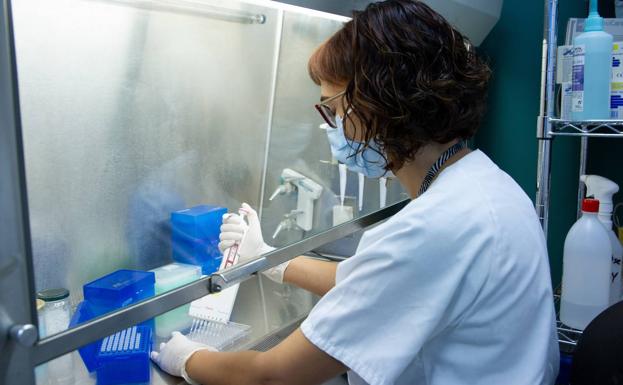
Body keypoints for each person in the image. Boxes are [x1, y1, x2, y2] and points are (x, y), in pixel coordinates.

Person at [151, 1, 560, 384]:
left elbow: (272, 375)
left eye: (331, 108)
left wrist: (186, 358)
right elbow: (374, 282)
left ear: (380, 101)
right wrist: (269, 259)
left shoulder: (435, 227)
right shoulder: (483, 183)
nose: (330, 127)